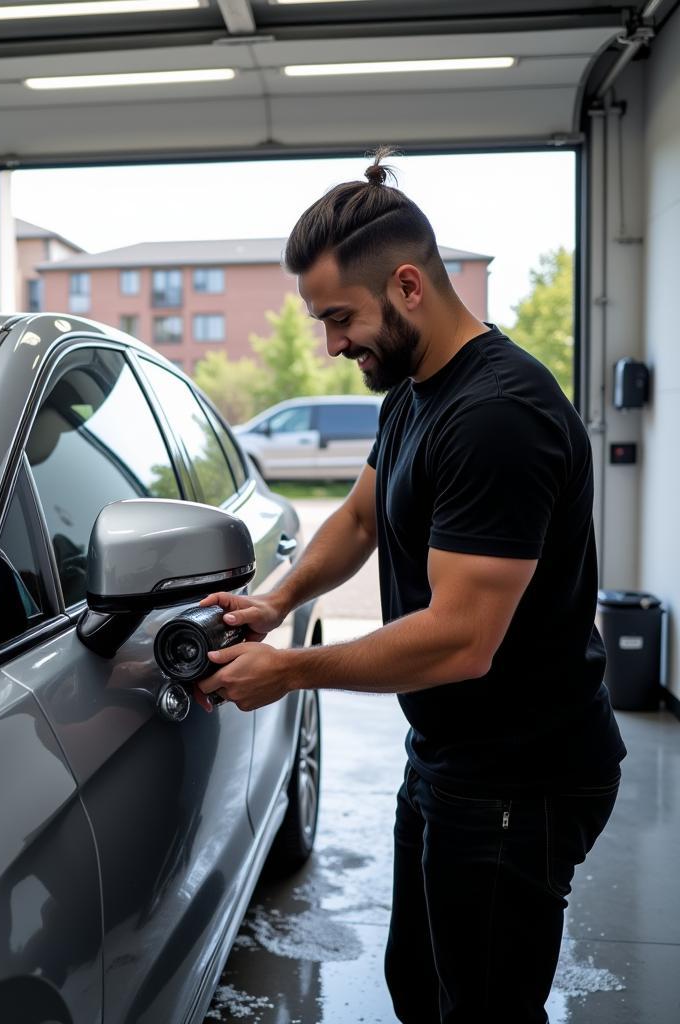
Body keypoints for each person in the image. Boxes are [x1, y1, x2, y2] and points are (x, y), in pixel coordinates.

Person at [197, 148, 626, 1024]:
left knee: (484, 1008)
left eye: (341, 317)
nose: (332, 344)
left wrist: (290, 671)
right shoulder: (414, 392)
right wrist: (277, 602)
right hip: (452, 756)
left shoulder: (498, 416)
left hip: (521, 775)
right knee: (421, 987)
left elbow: (463, 641)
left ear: (406, 286)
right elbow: (360, 519)